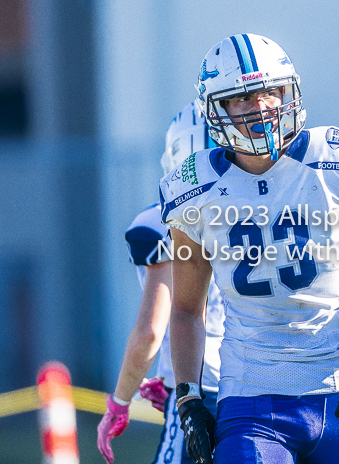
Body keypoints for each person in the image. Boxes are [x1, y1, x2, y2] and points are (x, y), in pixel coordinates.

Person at [158, 33, 339, 464]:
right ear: (216, 108)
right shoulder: (195, 189)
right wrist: (188, 397)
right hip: (251, 396)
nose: (260, 107)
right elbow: (187, 308)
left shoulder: (333, 160)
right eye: (242, 99)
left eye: (270, 92)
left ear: (290, 91)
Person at [97, 102, 225, 464]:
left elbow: (150, 332)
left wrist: (119, 403)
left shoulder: (161, 221)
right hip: (257, 387)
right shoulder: (253, 211)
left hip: (200, 391)